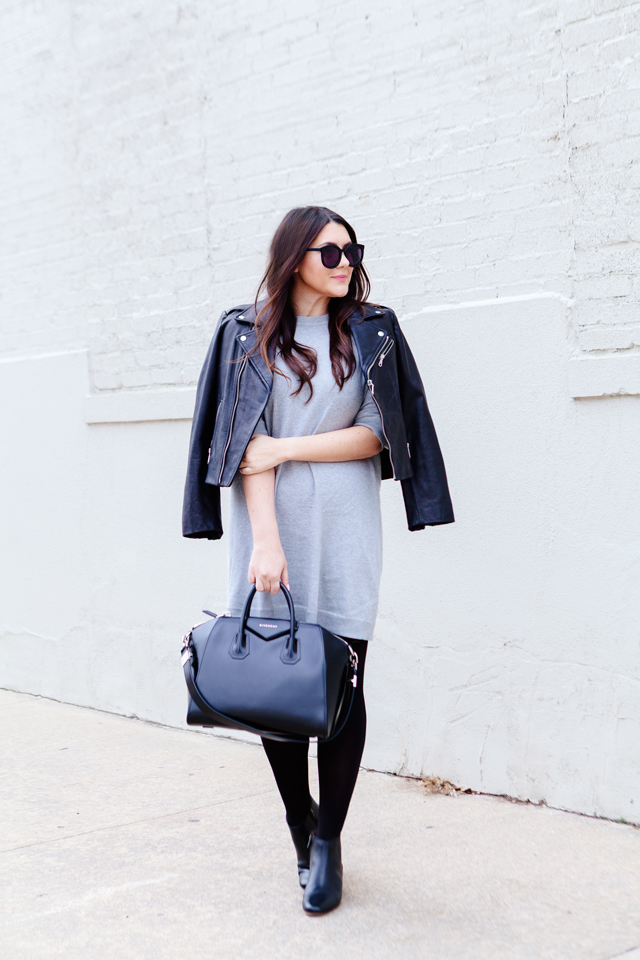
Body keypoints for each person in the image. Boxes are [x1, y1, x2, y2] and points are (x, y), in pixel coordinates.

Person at [183, 205, 454, 915]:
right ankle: (297, 822)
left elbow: (375, 434)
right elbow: (243, 444)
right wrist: (265, 541)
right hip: (272, 522)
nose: (344, 262)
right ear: (293, 256)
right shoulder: (245, 332)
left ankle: (329, 840)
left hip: (348, 521)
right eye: (329, 251)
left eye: (351, 250)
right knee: (277, 678)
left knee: (343, 680)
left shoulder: (371, 328)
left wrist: (289, 445)